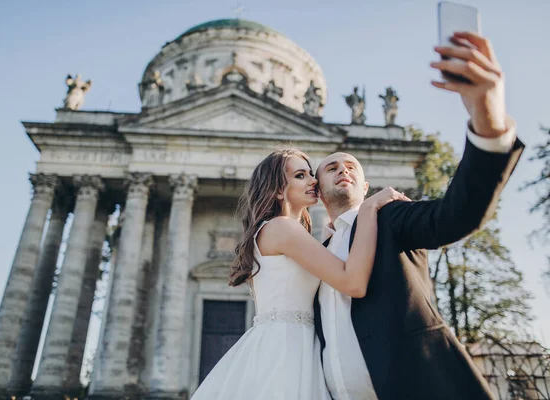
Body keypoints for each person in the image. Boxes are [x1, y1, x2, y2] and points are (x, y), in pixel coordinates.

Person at [312, 31, 524, 400]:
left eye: (351, 166)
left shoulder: (389, 218)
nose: (343, 169)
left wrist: (488, 122)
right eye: (331, 167)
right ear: (315, 190)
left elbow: (456, 215)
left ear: (367, 188)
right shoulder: (315, 252)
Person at [190, 147, 409, 400]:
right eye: (300, 176)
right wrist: (369, 209)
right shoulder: (282, 228)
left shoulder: (278, 230)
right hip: (287, 349)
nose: (313, 180)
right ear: (278, 189)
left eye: (310, 173)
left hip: (288, 343)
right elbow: (353, 282)